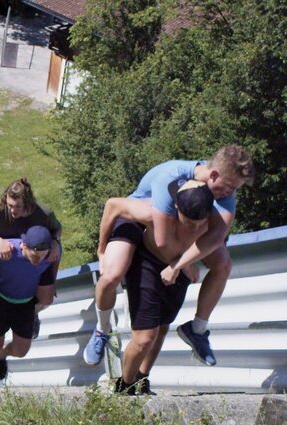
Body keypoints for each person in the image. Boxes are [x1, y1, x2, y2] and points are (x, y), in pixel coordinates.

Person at [83, 145, 255, 367]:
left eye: (236, 189)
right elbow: (163, 242)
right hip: (139, 218)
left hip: (181, 224)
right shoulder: (170, 179)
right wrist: (102, 249)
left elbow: (215, 238)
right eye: (230, 187)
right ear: (213, 175)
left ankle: (197, 329)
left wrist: (180, 263)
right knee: (111, 275)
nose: (231, 193)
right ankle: (102, 329)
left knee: (223, 265)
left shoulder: (223, 191)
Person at [106, 180, 216, 394]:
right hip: (147, 264)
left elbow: (217, 254)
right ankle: (124, 387)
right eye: (188, 222)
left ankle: (142, 379)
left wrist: (181, 265)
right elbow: (113, 205)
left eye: (199, 224)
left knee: (162, 328)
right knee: (144, 337)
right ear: (176, 208)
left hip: (181, 271)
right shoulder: (154, 211)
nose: (194, 228)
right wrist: (102, 249)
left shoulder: (214, 221)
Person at [0, 178, 62, 346]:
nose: (12, 210)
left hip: (32, 256)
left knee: (46, 299)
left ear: (28, 204)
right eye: (10, 205)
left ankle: (33, 313)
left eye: (17, 206)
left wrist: (54, 240)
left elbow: (57, 229)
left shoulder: (43, 213)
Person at [0, 225, 61, 388]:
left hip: (25, 303)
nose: (38, 261)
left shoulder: (51, 254)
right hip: (0, 299)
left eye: (42, 257)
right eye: (35, 256)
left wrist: (52, 280)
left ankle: (3, 354)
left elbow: (56, 258)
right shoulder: (9, 250)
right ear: (24, 246)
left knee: (21, 351)